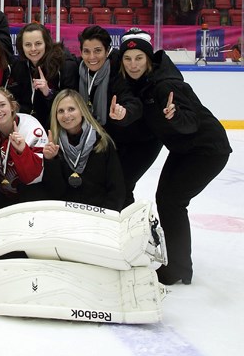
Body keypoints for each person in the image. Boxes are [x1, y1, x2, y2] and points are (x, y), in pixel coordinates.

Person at [120, 28, 231, 285]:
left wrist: (175, 117)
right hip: (184, 149)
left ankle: (179, 269)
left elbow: (191, 122)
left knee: (172, 202)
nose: (133, 64)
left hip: (207, 149)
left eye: (139, 58)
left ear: (149, 59)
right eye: (128, 59)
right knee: (167, 200)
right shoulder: (141, 84)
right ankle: (180, 264)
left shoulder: (166, 84)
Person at [77, 25, 152, 208]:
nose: (92, 57)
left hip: (140, 141)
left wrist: (124, 112)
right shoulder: (78, 71)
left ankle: (133, 229)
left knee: (122, 186)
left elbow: (131, 101)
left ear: (108, 50)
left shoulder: (117, 71)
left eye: (97, 51)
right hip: (109, 139)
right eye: (86, 51)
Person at [42, 89, 125, 211]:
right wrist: (51, 160)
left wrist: (105, 217)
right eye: (60, 111)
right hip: (66, 215)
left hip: (99, 214)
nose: (66, 115)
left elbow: (117, 188)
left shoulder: (102, 142)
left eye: (71, 109)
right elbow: (55, 192)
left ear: (82, 110)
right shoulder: (53, 146)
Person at [0, 87, 47, 215]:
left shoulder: (31, 127)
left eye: (2, 105)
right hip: (2, 190)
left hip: (30, 192)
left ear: (12, 106)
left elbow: (34, 178)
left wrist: (22, 151)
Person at [9, 23, 79, 129]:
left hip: (58, 126)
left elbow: (72, 103)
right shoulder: (19, 65)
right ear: (21, 47)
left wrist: (48, 92)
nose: (33, 49)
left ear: (46, 43)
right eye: (28, 45)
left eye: (38, 44)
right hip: (28, 125)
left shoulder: (65, 64)